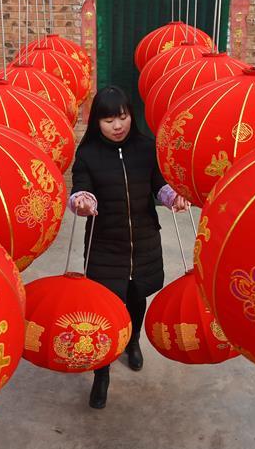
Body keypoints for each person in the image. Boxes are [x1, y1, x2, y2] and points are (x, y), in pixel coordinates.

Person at [69, 85, 189, 409]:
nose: (118, 125)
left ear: (130, 115)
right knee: (104, 312)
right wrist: (81, 201)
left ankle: (132, 341)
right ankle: (101, 372)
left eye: (122, 116)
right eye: (109, 119)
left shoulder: (146, 148)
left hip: (144, 242)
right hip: (105, 246)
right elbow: (82, 187)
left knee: (137, 299)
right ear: (97, 122)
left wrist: (172, 197)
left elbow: (158, 184)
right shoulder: (88, 154)